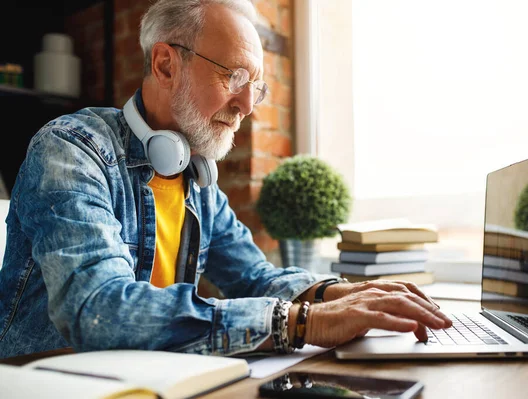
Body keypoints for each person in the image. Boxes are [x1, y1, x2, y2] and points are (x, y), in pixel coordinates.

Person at [0, 0, 451, 359]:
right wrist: (301, 322)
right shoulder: (70, 148)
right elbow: (98, 310)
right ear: (164, 65)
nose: (247, 106)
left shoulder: (195, 176)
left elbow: (253, 277)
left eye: (255, 86)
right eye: (234, 75)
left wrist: (342, 294)